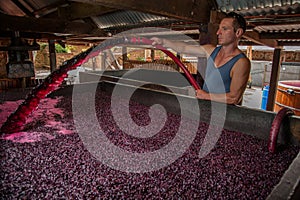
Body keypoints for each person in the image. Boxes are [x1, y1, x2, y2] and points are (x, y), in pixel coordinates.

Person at [151, 12, 251, 105]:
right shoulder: (211, 51)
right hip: (207, 108)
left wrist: (206, 96)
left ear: (238, 32)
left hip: (226, 116)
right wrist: (163, 42)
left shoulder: (240, 63)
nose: (218, 32)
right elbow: (184, 48)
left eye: (224, 29)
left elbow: (234, 98)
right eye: (219, 28)